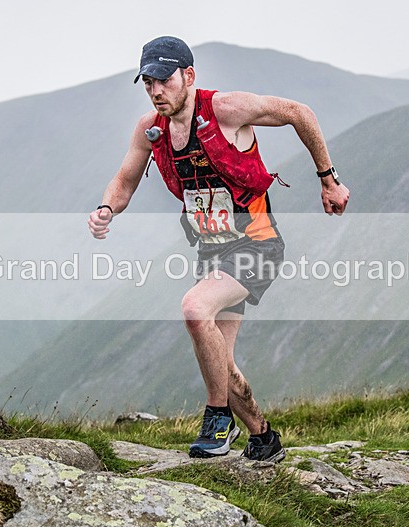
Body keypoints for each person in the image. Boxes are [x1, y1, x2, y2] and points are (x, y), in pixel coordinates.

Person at [88, 36, 349, 462]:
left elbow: (300, 113)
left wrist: (329, 178)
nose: (156, 91)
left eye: (164, 80)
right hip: (213, 251)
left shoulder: (226, 109)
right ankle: (263, 438)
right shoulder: (149, 130)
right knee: (220, 361)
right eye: (148, 83)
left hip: (258, 243)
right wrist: (106, 208)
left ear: (188, 76)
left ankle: (216, 417)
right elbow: (125, 180)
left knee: (194, 309)